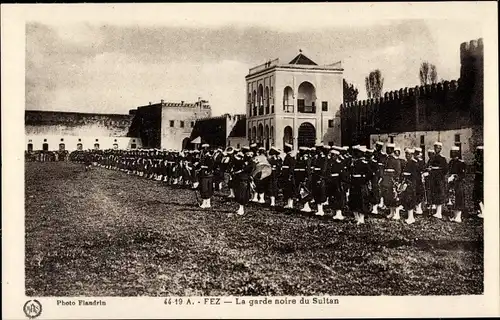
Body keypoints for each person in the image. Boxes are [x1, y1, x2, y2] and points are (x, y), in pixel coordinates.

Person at [348, 146, 373, 225]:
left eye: (357, 152)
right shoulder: (354, 161)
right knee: (354, 200)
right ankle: (356, 218)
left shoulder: (364, 162)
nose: (356, 153)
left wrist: (364, 180)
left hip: (361, 184)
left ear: (362, 153)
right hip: (354, 184)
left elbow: (370, 174)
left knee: (361, 201)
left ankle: (361, 219)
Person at [382, 143, 402, 219]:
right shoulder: (386, 159)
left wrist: (396, 181)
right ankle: (391, 212)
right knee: (388, 197)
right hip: (386, 180)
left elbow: (398, 171)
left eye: (390, 149)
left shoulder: (395, 160)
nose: (388, 150)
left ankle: (397, 214)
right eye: (387, 149)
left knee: (394, 197)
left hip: (392, 180)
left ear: (393, 150)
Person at [399, 148, 418, 224]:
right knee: (406, 199)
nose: (407, 156)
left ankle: (411, 217)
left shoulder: (414, 163)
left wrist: (407, 183)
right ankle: (409, 216)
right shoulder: (407, 163)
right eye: (406, 154)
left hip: (411, 184)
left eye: (409, 154)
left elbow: (414, 176)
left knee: (410, 199)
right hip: (406, 183)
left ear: (412, 155)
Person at [326, 148, 346, 220]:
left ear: (336, 156)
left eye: (333, 155)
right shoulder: (330, 163)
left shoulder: (340, 164)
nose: (331, 156)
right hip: (331, 182)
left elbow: (342, 175)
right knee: (331, 197)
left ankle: (338, 213)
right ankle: (333, 211)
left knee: (338, 197)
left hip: (337, 182)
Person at [447, 146, 466, 223]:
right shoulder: (451, 162)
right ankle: (454, 216)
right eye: (452, 152)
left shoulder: (461, 163)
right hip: (452, 183)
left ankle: (458, 217)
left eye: (454, 152)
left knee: (459, 198)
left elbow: (462, 174)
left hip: (458, 184)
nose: (453, 154)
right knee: (452, 199)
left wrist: (455, 177)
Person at [429, 142, 448, 219]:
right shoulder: (432, 158)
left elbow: (445, 170)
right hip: (433, 178)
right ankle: (436, 211)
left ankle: (439, 212)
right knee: (434, 193)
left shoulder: (442, 158)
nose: (437, 149)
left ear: (440, 149)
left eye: (438, 148)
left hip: (439, 179)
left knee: (439, 194)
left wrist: (437, 171)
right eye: (435, 147)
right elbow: (430, 166)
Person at [232, 150, 254, 215]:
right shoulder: (242, 161)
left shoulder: (249, 162)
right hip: (241, 179)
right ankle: (240, 208)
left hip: (244, 179)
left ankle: (241, 209)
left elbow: (248, 169)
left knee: (242, 194)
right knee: (240, 193)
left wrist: (240, 170)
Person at [311, 145, 328, 216]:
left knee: (320, 193)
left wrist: (320, 178)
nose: (316, 150)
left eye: (317, 149)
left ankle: (321, 210)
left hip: (319, 177)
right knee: (316, 193)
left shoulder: (323, 158)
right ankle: (319, 210)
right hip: (315, 177)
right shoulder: (317, 157)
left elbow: (323, 169)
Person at [198, 144, 214, 208]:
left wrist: (203, 167)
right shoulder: (203, 156)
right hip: (204, 174)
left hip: (207, 175)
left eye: (203, 149)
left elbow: (211, 166)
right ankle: (207, 203)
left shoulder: (209, 157)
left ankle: (206, 203)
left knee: (205, 188)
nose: (202, 150)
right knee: (205, 188)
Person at [281, 143, 296, 209]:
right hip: (286, 175)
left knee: (289, 190)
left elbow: (291, 168)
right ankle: (289, 203)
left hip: (288, 176)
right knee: (287, 190)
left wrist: (290, 176)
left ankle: (290, 204)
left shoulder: (289, 157)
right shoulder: (288, 156)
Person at [473, 146, 484, 218]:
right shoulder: (478, 160)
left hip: (480, 179)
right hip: (478, 179)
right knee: (476, 195)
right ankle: (479, 210)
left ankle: (483, 211)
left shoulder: (482, 161)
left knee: (479, 195)